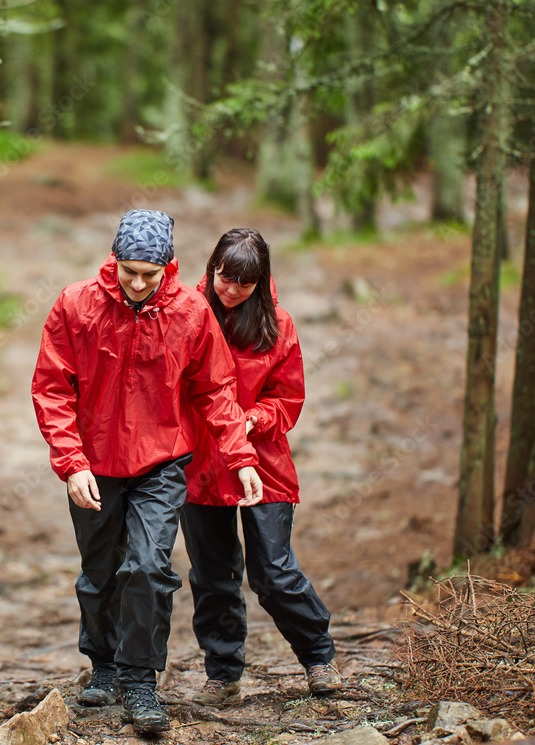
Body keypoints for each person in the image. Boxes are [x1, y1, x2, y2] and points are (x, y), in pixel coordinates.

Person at [31, 210, 265, 734]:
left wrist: (242, 459)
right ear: (114, 260)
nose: (137, 284)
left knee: (148, 567)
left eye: (149, 274)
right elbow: (51, 388)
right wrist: (71, 463)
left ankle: (140, 681)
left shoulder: (190, 312)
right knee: (98, 573)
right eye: (128, 271)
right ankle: (103, 664)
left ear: (169, 268)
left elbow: (215, 391)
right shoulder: (75, 304)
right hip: (92, 465)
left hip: (162, 462)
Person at [180, 228, 341, 707]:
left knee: (273, 572)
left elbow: (288, 399)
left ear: (260, 282)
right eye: (223, 277)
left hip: (264, 461)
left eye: (242, 284)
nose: (229, 289)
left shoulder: (278, 325)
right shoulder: (187, 314)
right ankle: (223, 673)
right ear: (212, 268)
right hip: (201, 463)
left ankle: (319, 657)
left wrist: (254, 419)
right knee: (212, 575)